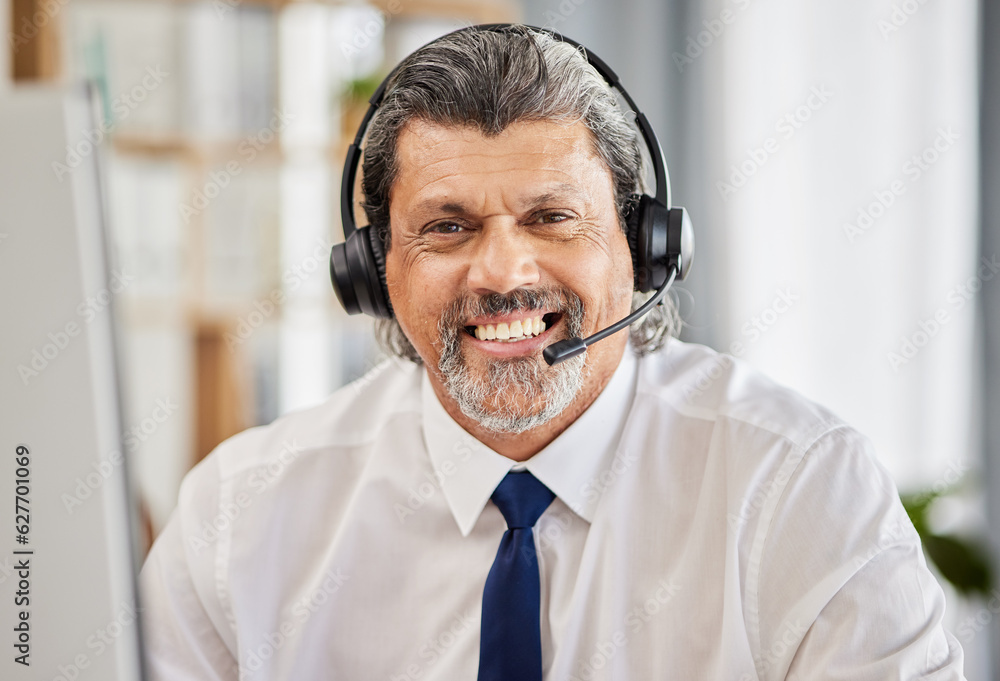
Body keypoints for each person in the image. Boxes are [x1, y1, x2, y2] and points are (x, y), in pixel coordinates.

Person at [139, 24, 966, 680]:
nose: (502, 271)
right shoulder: (238, 520)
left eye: (552, 216)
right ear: (372, 269)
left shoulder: (801, 489)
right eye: (447, 226)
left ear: (643, 249)